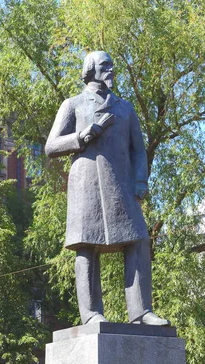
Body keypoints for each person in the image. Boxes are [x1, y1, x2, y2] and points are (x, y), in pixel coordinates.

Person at [45, 50, 169, 326]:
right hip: (86, 183)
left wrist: (140, 181)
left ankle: (141, 312)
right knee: (86, 245)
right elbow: (51, 146)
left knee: (137, 240)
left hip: (121, 185)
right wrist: (82, 135)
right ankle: (91, 314)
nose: (111, 69)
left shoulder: (124, 108)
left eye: (112, 65)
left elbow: (138, 150)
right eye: (105, 65)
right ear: (90, 70)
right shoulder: (73, 105)